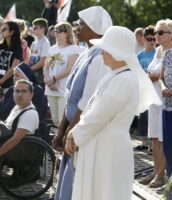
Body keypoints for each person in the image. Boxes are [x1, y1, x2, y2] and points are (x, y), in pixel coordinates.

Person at [65, 26, 161, 200]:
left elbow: (98, 116)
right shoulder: (116, 75)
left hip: (108, 149)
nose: (102, 53)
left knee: (105, 193)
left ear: (117, 52)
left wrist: (74, 134)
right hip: (102, 145)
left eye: (105, 49)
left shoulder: (124, 79)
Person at [52, 6, 112, 200]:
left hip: (83, 131)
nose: (76, 28)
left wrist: (70, 132)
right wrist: (62, 130)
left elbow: (86, 102)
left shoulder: (101, 57)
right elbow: (70, 96)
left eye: (81, 24)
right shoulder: (87, 53)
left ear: (95, 28)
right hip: (73, 128)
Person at [140, 19, 172, 190]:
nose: (156, 36)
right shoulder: (159, 50)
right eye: (156, 32)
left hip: (165, 101)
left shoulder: (171, 52)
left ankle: (162, 174)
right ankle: (155, 171)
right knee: (154, 138)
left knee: (163, 138)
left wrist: (148, 76)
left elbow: (156, 75)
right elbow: (150, 72)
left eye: (160, 33)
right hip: (154, 99)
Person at [43, 22, 81, 126]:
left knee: (62, 121)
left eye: (59, 31)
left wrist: (53, 79)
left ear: (67, 33)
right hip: (51, 89)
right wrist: (49, 81)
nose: (56, 33)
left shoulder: (73, 48)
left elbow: (70, 69)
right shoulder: (52, 48)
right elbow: (45, 67)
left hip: (63, 89)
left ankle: (62, 141)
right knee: (55, 120)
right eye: (55, 31)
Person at [135, 26, 156, 151]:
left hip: (155, 90)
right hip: (143, 90)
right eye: (149, 39)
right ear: (144, 39)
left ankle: (154, 144)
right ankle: (144, 143)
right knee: (142, 117)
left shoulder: (158, 53)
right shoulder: (140, 55)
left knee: (152, 117)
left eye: (154, 39)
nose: (152, 42)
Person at [160, 38, 172, 189]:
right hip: (167, 107)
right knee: (168, 149)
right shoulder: (168, 54)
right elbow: (161, 78)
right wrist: (163, 88)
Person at [29, 18, 50, 87]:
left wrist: (28, 70)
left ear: (42, 29)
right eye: (33, 27)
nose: (33, 29)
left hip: (40, 78)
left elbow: (42, 63)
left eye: (35, 28)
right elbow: (29, 59)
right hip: (32, 75)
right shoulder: (33, 43)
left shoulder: (45, 43)